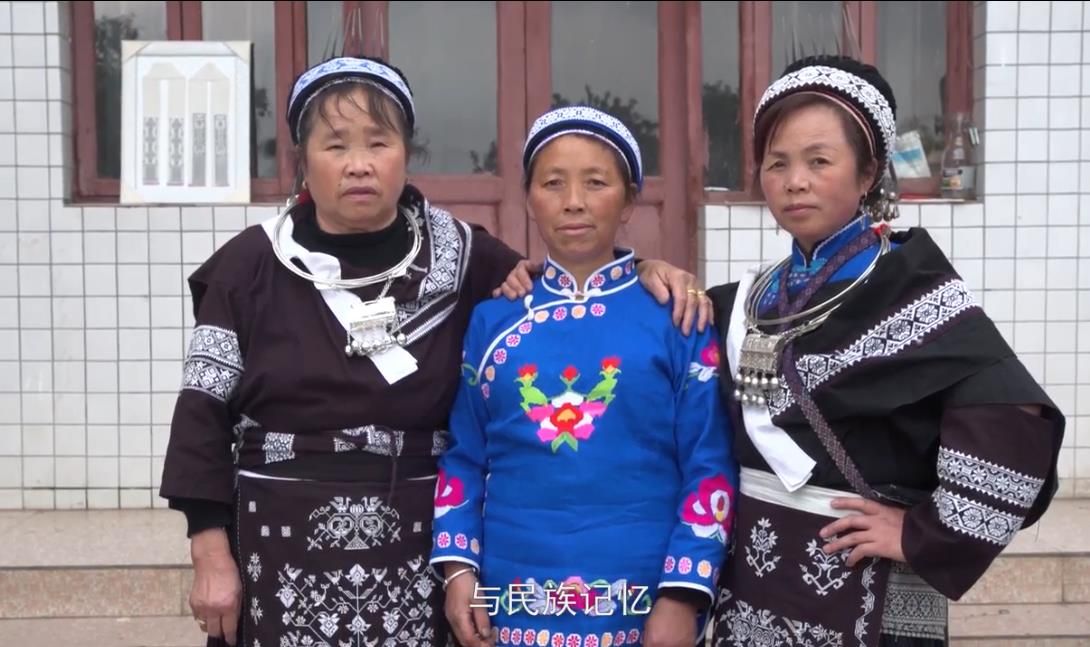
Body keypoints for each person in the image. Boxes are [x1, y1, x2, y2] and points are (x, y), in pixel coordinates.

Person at [157, 57, 711, 647]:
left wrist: (648, 270)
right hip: (279, 540)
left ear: (407, 153)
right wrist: (209, 551)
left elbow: (570, 274)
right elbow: (200, 413)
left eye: (379, 142)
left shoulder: (466, 255)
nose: (359, 164)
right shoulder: (250, 265)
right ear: (303, 159)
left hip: (417, 552)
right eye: (335, 145)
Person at [705, 55, 1065, 647]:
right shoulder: (746, 299)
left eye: (819, 161)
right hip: (756, 576)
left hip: (864, 575)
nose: (795, 181)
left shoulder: (913, 292)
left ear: (868, 171)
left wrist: (924, 532)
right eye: (777, 163)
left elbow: (1014, 415)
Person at [430, 106, 740, 647]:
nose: (573, 201)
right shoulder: (493, 321)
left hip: (643, 596)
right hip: (512, 597)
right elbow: (464, 457)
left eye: (596, 183)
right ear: (530, 199)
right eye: (553, 183)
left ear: (629, 200)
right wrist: (459, 572)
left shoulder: (677, 318)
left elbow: (709, 464)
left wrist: (682, 595)